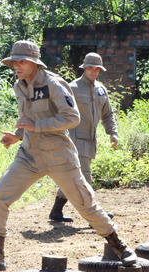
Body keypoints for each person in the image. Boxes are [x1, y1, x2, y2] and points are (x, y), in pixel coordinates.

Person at [0, 41, 137, 270]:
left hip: (59, 156)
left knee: (86, 204)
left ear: (35, 63)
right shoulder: (20, 85)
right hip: (29, 156)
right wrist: (18, 135)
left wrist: (37, 125)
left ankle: (120, 247)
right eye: (14, 61)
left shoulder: (53, 83)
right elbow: (26, 118)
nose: (17, 65)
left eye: (22, 61)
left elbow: (72, 118)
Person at [49, 52, 118, 223]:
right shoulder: (72, 88)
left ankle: (56, 212)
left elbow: (108, 115)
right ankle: (94, 217)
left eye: (96, 69)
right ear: (84, 68)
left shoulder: (101, 89)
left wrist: (113, 133)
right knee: (85, 178)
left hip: (90, 141)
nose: (93, 72)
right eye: (90, 68)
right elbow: (57, 111)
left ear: (100, 70)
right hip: (74, 140)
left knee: (70, 178)